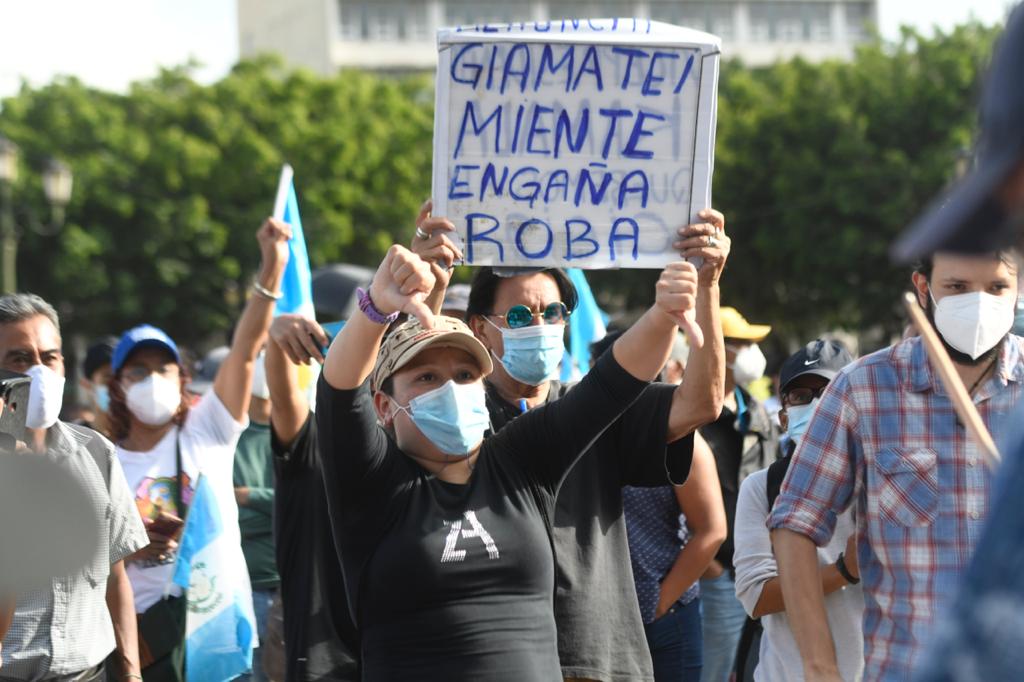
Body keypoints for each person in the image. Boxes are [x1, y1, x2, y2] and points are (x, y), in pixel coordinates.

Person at [318, 242, 708, 680]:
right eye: (426, 377)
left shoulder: (521, 462)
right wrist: (374, 310)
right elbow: (339, 393)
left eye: (465, 375)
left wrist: (661, 315)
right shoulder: (373, 487)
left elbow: (611, 385)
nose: (450, 388)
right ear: (385, 406)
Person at [413, 201, 729, 681]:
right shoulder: (456, 417)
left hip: (602, 659)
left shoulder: (594, 409)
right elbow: (399, 393)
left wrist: (706, 285)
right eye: (519, 317)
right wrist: (424, 291)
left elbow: (700, 403)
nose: (539, 326)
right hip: (498, 661)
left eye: (553, 312)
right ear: (481, 328)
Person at [769, 249, 1023, 680]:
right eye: (957, 287)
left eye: (998, 287)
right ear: (923, 289)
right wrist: (819, 665)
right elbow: (795, 523)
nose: (980, 303)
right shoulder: (862, 388)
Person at [110, 217, 290, 680]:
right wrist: (131, 551)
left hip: (219, 630)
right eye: (137, 371)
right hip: (147, 641)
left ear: (182, 378)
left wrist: (271, 270)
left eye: (163, 368)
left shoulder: (207, 429)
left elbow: (246, 349)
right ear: (116, 386)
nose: (152, 379)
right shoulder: (100, 458)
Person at [0, 293, 148, 681]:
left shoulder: (96, 452)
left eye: (49, 357)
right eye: (20, 359)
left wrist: (131, 672)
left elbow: (116, 576)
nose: (38, 371)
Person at [733, 339, 863, 682]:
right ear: (783, 415)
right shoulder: (762, 487)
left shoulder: (884, 484)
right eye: (801, 396)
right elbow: (756, 597)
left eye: (831, 391)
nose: (819, 404)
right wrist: (845, 571)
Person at [601, 331, 727, 682]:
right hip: (600, 619)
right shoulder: (585, 433)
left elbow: (712, 530)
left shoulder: (681, 439)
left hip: (664, 621)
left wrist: (658, 603)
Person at [264, 312, 360, 681]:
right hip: (322, 666)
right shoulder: (310, 446)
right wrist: (277, 339)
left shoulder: (406, 449)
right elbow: (284, 397)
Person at [698, 306, 778, 682]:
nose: (750, 352)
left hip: (760, 571)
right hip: (716, 574)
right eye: (739, 343)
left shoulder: (759, 414)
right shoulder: (692, 413)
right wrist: (709, 565)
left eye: (751, 343)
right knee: (713, 670)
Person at [231, 348, 280, 682]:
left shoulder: (302, 435)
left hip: (294, 587)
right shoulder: (229, 441)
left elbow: (310, 507)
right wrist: (278, 507)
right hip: (243, 589)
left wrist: (249, 496)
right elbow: (227, 516)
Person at [78, 336, 118, 436]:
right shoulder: (73, 442)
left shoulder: (144, 441)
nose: (117, 386)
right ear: (87, 385)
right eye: (108, 377)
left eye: (122, 377)